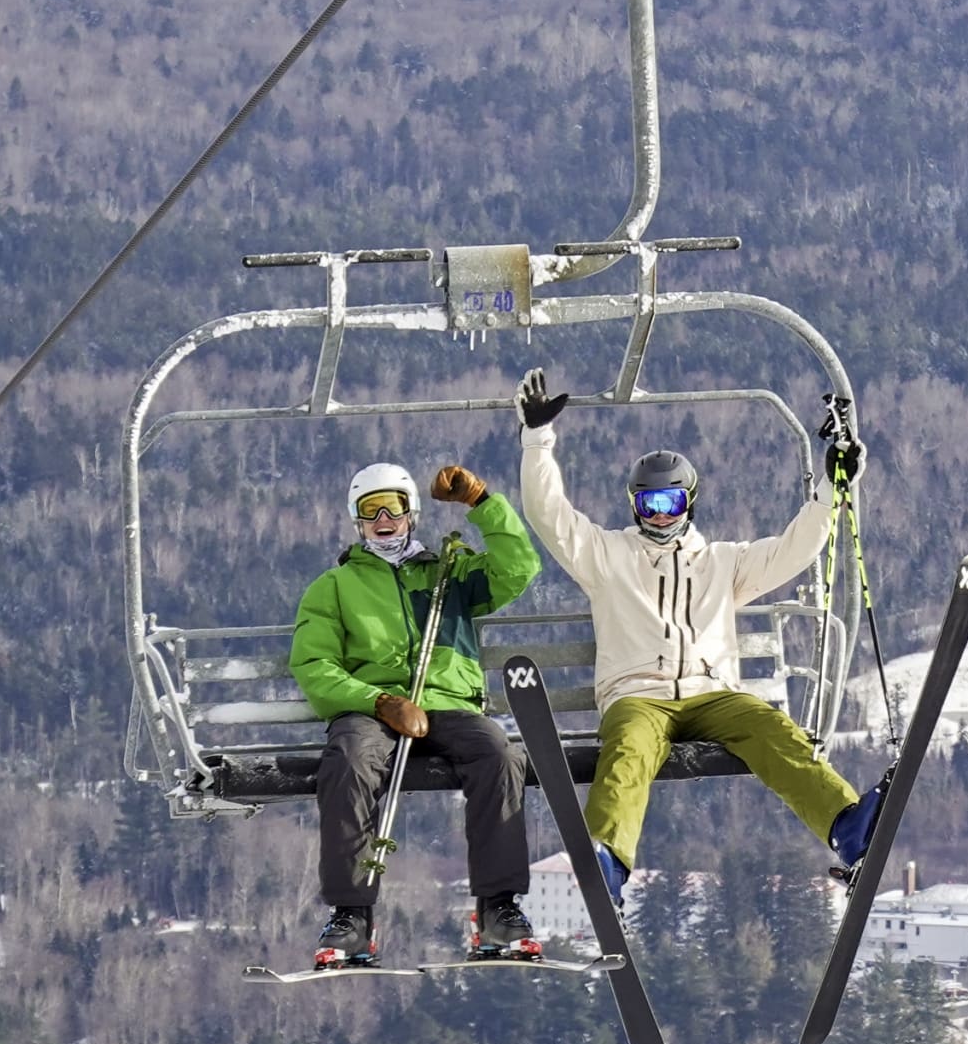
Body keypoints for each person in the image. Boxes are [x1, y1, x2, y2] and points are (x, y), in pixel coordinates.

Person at [514, 369, 885, 905]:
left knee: (771, 728)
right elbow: (549, 515)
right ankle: (606, 860)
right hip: (638, 696)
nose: (659, 516)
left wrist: (832, 488)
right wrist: (537, 441)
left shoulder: (722, 563)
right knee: (628, 754)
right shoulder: (607, 556)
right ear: (633, 505)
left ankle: (846, 828)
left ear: (690, 502)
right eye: (648, 504)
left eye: (670, 503)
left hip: (712, 694)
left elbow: (793, 549)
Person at [289, 459, 545, 968]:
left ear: (412, 513)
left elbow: (519, 568)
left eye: (395, 507)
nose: (384, 519)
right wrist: (378, 701)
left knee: (497, 754)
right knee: (349, 760)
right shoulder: (336, 586)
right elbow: (314, 663)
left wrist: (481, 503)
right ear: (357, 521)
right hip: (372, 709)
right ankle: (352, 915)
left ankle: (498, 907)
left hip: (447, 703)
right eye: (371, 510)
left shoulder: (452, 572)